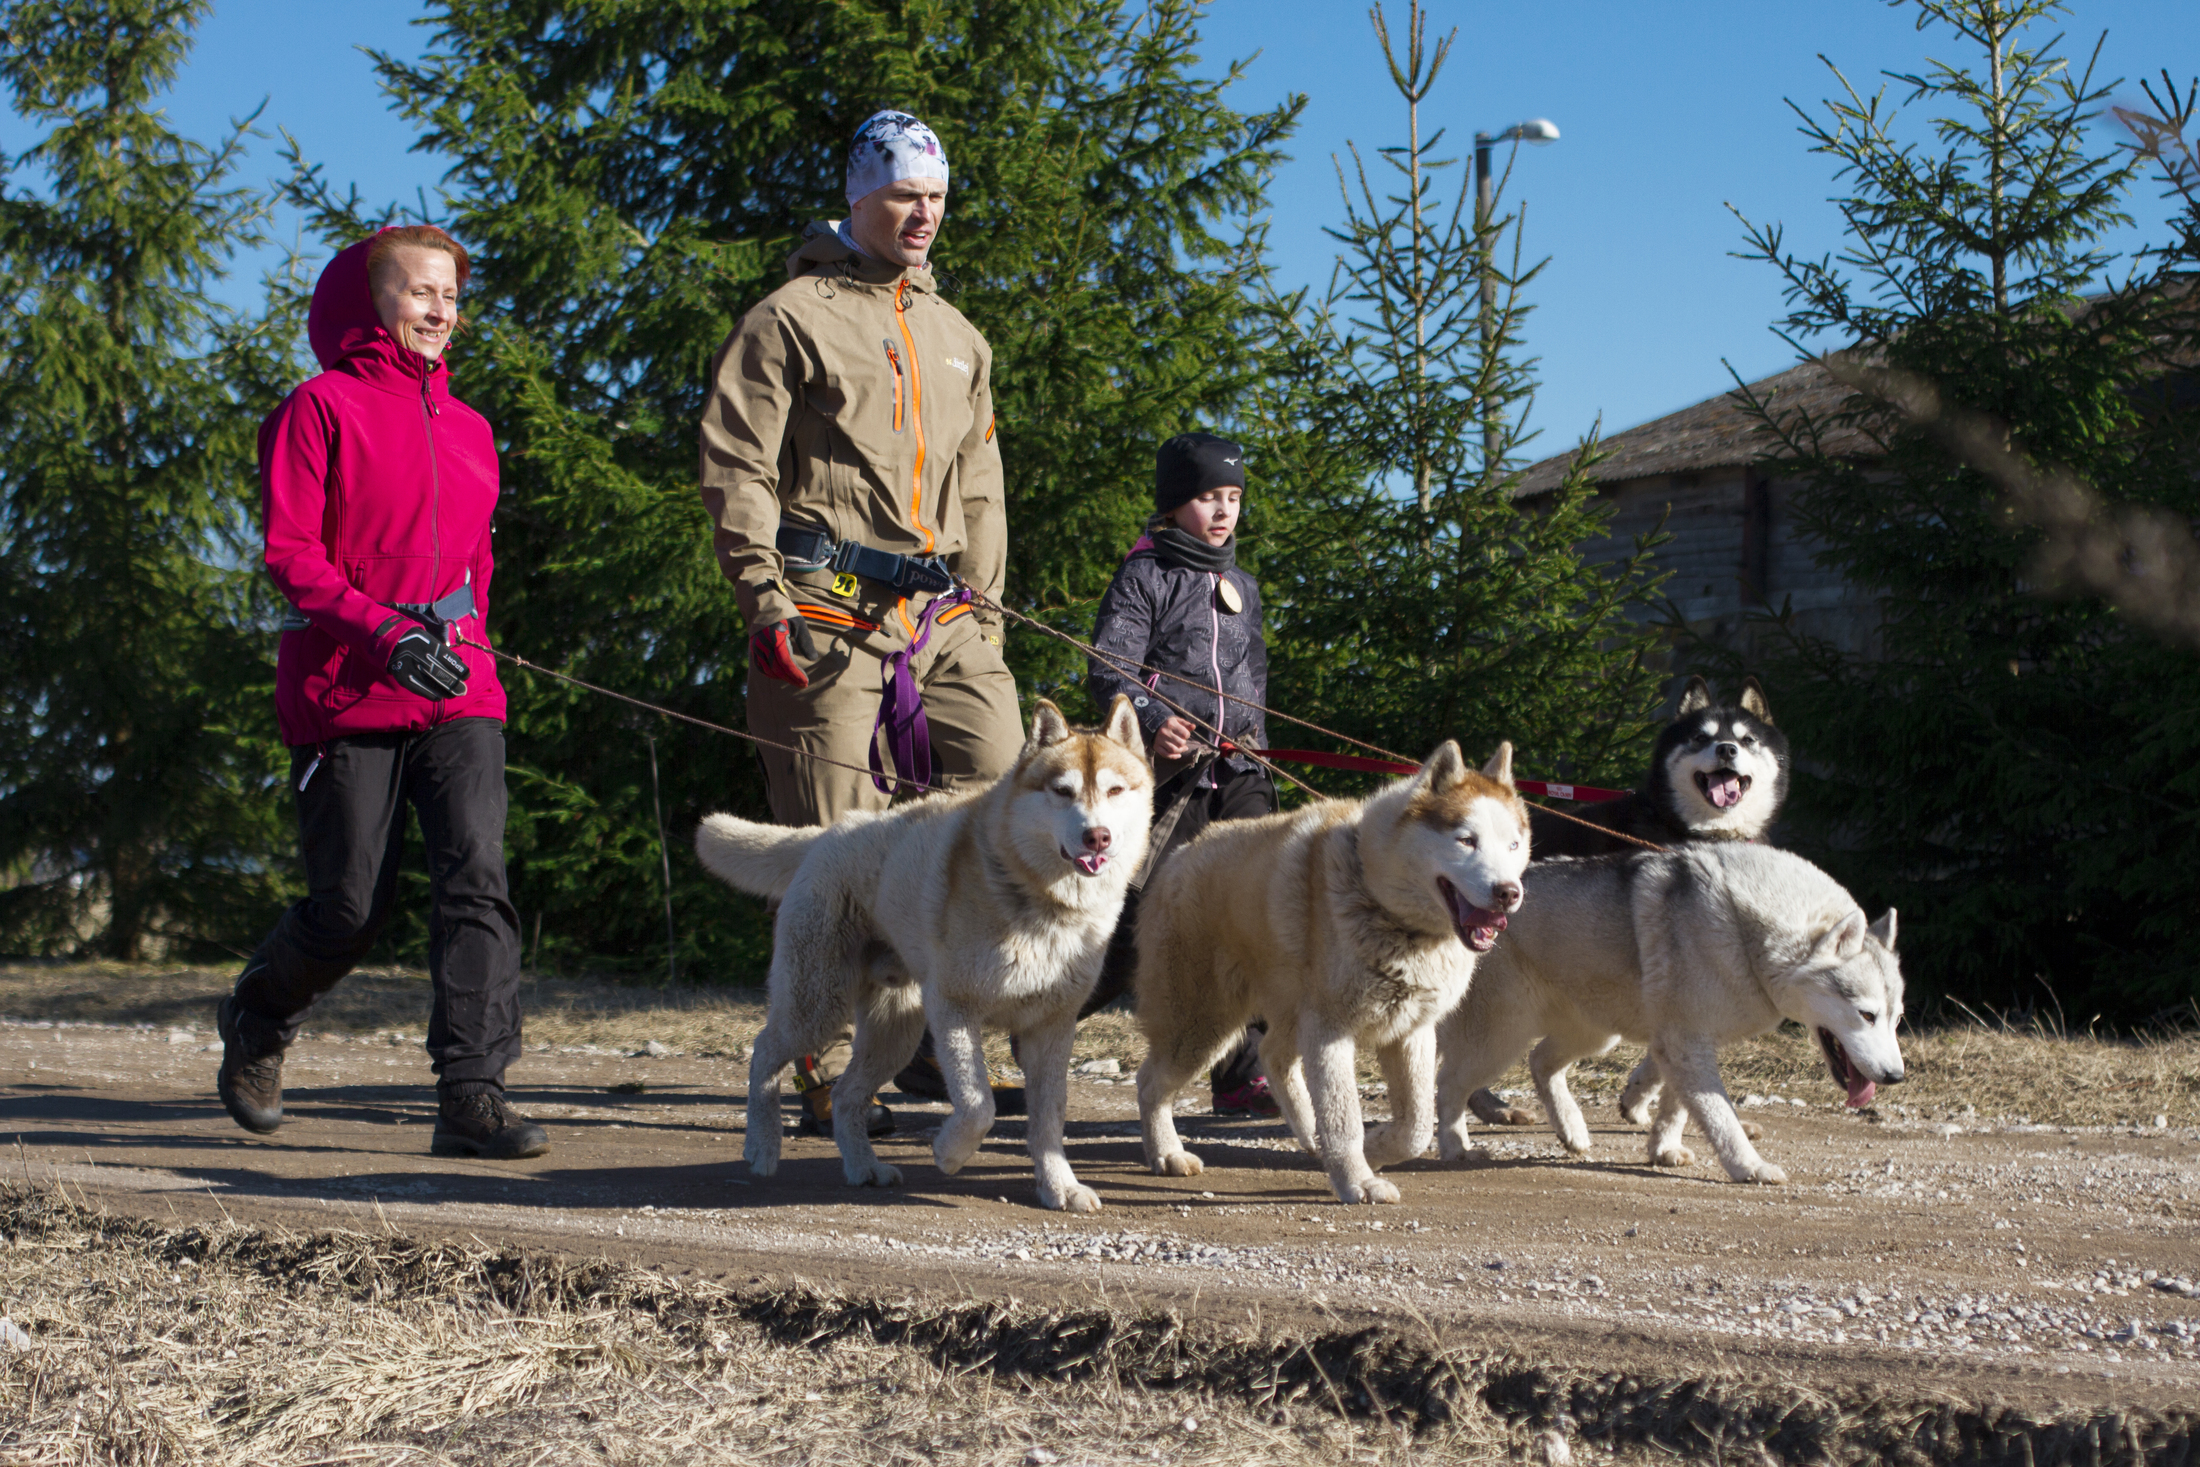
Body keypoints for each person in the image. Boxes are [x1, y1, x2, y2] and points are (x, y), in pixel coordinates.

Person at [698, 109, 1025, 1132]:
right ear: (857, 197)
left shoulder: (957, 335)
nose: (921, 214)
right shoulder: (788, 318)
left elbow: (981, 491)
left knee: (1007, 800)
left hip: (946, 620)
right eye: (901, 195)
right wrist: (764, 599)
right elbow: (735, 468)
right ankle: (820, 1068)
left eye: (933, 197)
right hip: (824, 607)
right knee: (833, 848)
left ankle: (941, 1036)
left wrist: (986, 616)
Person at [216, 225, 548, 1161]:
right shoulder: (318, 407)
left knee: (477, 878)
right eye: (418, 293)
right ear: (374, 303)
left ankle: (472, 1091)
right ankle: (258, 1010)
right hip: (347, 686)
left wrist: (465, 644)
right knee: (348, 909)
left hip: (458, 686)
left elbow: (478, 562)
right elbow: (292, 556)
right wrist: (388, 632)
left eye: (451, 295)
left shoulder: (475, 427)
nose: (440, 310)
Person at [1084, 432, 1278, 1117]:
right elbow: (1109, 669)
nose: (1224, 511)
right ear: (1173, 505)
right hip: (1170, 778)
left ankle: (1240, 1071)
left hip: (1241, 770)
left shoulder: (1243, 586)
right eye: (1206, 497)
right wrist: (1147, 714)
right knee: (1142, 919)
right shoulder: (1146, 575)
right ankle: (1040, 1020)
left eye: (1233, 496)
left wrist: (1258, 742)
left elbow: (1252, 677)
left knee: (1250, 908)